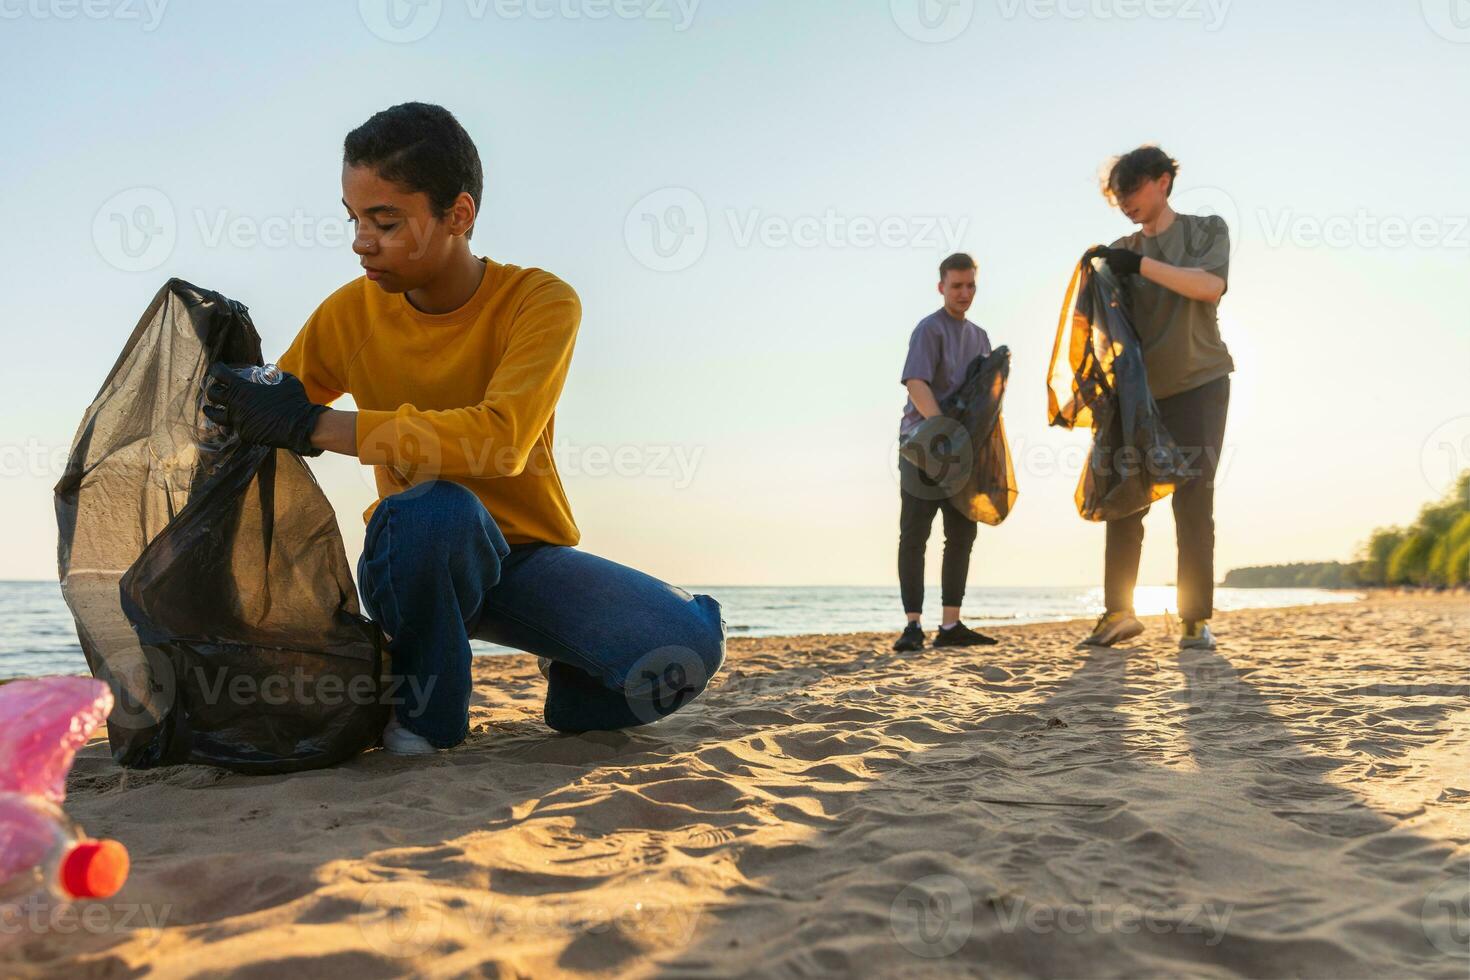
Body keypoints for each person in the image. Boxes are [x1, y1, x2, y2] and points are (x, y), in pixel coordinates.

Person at [202, 103, 726, 755]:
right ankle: (428, 717)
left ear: (459, 215)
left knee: (688, 649)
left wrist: (316, 424)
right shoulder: (347, 314)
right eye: (355, 219)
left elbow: (500, 441)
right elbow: (271, 415)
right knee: (435, 510)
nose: (362, 241)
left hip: (524, 559)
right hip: (418, 552)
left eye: (385, 221)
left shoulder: (540, 301)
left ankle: (575, 687)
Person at [1082, 145, 1233, 651]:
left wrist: (1140, 267)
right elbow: (1104, 327)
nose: (1124, 201)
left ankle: (1194, 620)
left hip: (1200, 383)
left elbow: (1208, 286)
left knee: (1193, 499)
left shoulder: (1205, 230)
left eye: (1132, 189)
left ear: (1163, 181)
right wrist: (1098, 273)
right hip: (1139, 396)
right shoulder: (1121, 248)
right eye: (1117, 194)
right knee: (1124, 500)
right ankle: (1118, 613)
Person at [893, 253, 1000, 653]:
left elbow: (985, 395)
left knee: (961, 534)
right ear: (941, 287)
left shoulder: (981, 336)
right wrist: (943, 429)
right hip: (922, 446)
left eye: (971, 285)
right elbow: (915, 383)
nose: (965, 292)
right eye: (957, 285)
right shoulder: (928, 329)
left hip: (962, 454)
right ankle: (913, 626)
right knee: (914, 535)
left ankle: (951, 625)